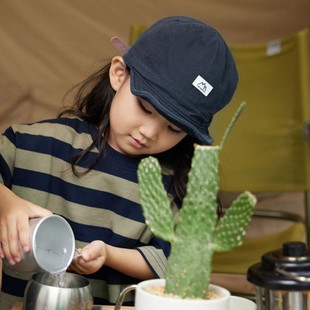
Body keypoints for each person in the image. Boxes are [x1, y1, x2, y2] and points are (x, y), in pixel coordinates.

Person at [0, 16, 238, 308]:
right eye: (145, 107)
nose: (149, 133)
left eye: (174, 129)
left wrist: (110, 255)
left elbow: (179, 264)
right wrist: (5, 203)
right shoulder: (34, 145)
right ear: (119, 74)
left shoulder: (171, 188)